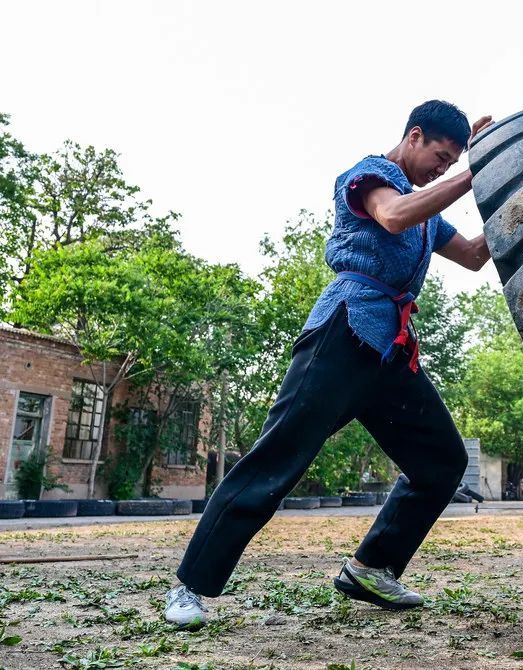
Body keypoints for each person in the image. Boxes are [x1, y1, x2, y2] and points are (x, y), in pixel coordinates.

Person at [164, 101, 494, 626]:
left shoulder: (428, 214)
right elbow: (393, 215)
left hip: (390, 351)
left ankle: (371, 568)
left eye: (453, 161)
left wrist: (510, 181)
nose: (443, 167)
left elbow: (476, 255)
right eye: (440, 155)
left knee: (441, 462)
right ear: (413, 136)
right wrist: (476, 173)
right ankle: (190, 586)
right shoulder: (369, 176)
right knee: (277, 458)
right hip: (342, 333)